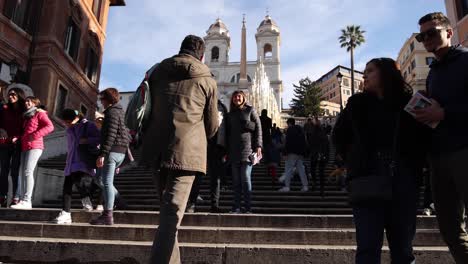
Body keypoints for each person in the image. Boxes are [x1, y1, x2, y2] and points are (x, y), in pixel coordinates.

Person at [333, 57, 428, 264]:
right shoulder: (356, 103)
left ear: (386, 73)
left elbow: (424, 139)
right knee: (367, 249)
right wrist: (355, 160)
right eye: (365, 71)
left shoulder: (409, 102)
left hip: (403, 181)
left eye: (371, 70)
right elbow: (338, 137)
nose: (365, 75)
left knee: (403, 250)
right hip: (366, 180)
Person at [141, 35, 218, 264]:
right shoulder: (207, 79)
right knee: (171, 216)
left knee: (167, 216)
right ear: (202, 55)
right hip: (186, 153)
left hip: (155, 149)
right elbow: (212, 127)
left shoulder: (156, 72)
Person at [413, 12, 468, 263]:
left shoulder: (465, 61)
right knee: (449, 228)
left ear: (449, 32)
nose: (427, 39)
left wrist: (444, 112)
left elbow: (445, 110)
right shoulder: (434, 72)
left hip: (464, 151)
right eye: (422, 36)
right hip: (438, 157)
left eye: (432, 32)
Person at [52, 109, 101, 224]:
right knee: (67, 187)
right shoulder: (70, 128)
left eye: (68, 121)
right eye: (65, 122)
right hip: (71, 161)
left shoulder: (88, 125)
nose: (66, 124)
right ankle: (66, 213)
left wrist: (87, 140)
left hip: (83, 160)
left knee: (80, 182)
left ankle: (85, 200)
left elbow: (99, 138)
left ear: (76, 118)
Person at [89, 88, 130, 226]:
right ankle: (119, 201)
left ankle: (108, 215)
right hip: (119, 151)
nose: (101, 102)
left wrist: (103, 153)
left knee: (105, 182)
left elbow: (110, 135)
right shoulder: (119, 112)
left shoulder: (112, 112)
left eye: (102, 99)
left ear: (108, 99)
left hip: (112, 151)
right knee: (100, 179)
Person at [11, 97, 53, 209]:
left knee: (28, 172)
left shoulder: (40, 114)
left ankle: (27, 201)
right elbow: (26, 132)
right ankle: (22, 200)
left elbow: (50, 127)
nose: (26, 103)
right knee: (23, 173)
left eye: (29, 101)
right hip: (25, 147)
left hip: (35, 146)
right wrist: (18, 138)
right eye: (25, 101)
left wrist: (34, 136)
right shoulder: (27, 117)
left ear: (35, 103)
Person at [226, 90, 262, 214]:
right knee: (236, 181)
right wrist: (226, 150)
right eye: (235, 97)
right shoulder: (230, 114)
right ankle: (236, 207)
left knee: (246, 179)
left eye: (239, 96)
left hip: (247, 150)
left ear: (244, 98)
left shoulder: (250, 110)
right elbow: (227, 134)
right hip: (233, 151)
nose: (237, 98)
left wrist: (258, 146)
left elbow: (258, 129)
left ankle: (247, 207)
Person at [0, 88, 25, 207]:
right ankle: (2, 196)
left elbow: (28, 127)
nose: (10, 96)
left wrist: (18, 137)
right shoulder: (4, 109)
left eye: (13, 94)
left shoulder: (24, 110)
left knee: (14, 171)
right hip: (5, 143)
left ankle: (16, 197)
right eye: (9, 94)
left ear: (19, 96)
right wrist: (1, 130)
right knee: (3, 170)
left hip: (18, 144)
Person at [278, 118, 308, 192]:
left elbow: (288, 142)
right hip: (300, 153)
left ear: (289, 123)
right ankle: (305, 186)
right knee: (301, 170)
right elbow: (304, 142)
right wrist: (303, 153)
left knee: (288, 169)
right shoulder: (301, 130)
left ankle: (287, 186)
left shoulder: (290, 130)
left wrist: (285, 153)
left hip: (291, 153)